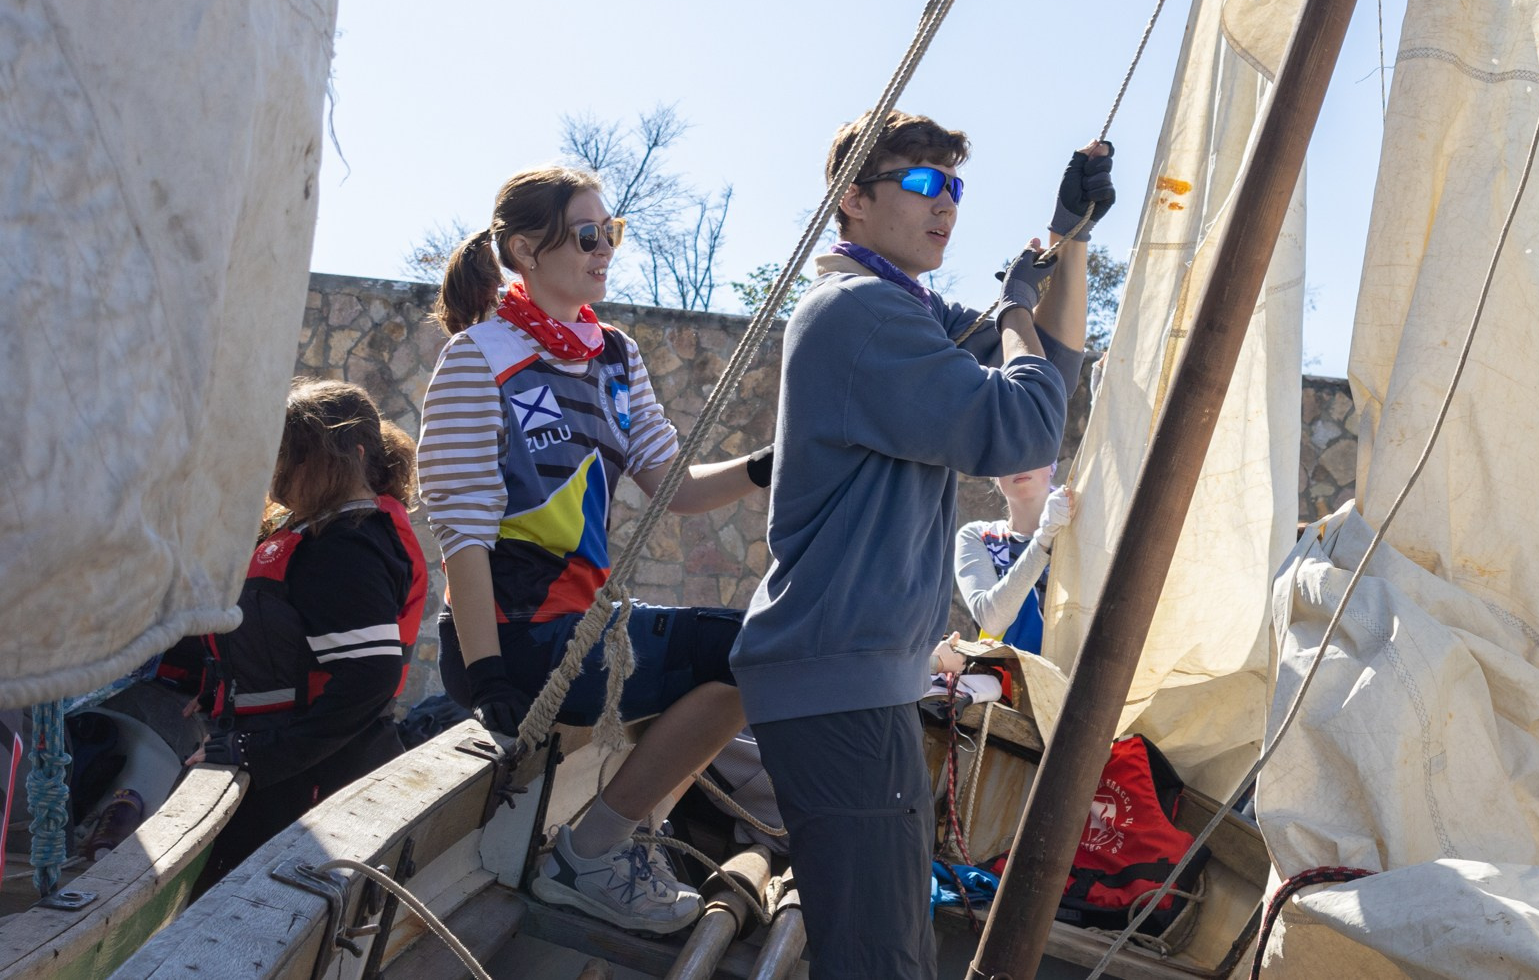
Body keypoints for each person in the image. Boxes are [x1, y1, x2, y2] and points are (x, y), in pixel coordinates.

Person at [732, 113, 1112, 980]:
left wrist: (1069, 243)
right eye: (920, 182)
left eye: (954, 186)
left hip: (856, 675)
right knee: (881, 962)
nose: (945, 203)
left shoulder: (893, 305)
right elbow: (1023, 423)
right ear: (854, 201)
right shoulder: (862, 313)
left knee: (891, 948)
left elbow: (1049, 361)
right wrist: (1018, 300)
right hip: (841, 679)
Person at [417, 164, 771, 935]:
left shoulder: (615, 354)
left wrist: (763, 466)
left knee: (755, 653)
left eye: (611, 231)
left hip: (587, 629)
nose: (606, 248)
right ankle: (593, 856)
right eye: (588, 234)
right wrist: (488, 674)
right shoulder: (478, 358)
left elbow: (672, 484)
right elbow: (463, 533)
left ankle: (611, 840)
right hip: (515, 642)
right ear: (525, 248)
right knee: (741, 655)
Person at [171, 381, 428, 886]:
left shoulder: (348, 547)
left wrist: (256, 753)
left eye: (296, 456)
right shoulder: (311, 530)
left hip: (312, 783)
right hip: (279, 770)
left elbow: (368, 679)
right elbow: (283, 634)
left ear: (351, 456)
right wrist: (213, 688)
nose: (279, 471)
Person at [954, 465, 1074, 653]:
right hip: (1011, 678)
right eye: (1010, 455)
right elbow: (991, 621)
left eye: (1033, 450)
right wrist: (1044, 538)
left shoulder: (1082, 531)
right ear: (995, 476)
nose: (1022, 462)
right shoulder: (978, 537)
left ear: (1052, 467)